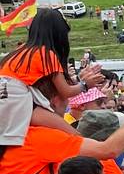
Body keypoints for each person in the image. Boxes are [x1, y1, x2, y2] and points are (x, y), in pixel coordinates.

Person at [0, 8, 104, 145]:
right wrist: (85, 84)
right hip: (18, 103)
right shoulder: (46, 54)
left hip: (7, 101)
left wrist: (79, 80)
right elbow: (65, 91)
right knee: (75, 137)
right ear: (59, 34)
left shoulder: (19, 51)